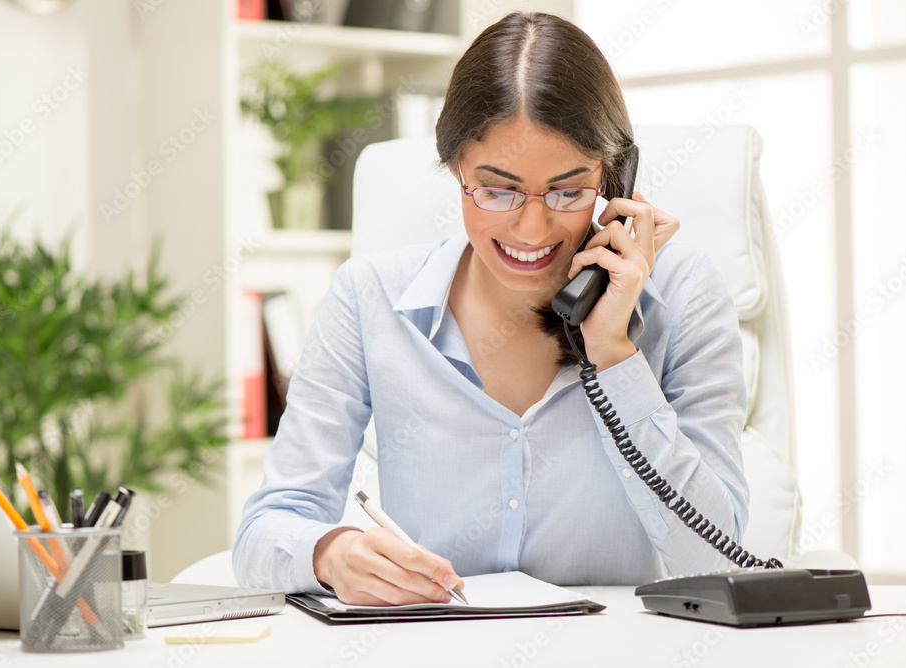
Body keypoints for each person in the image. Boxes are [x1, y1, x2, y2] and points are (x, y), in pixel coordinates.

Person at [233, 12, 748, 606]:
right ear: (456, 171)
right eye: (497, 190)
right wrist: (331, 554)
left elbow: (718, 559)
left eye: (568, 190)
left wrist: (613, 354)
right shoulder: (368, 296)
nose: (532, 228)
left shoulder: (683, 296)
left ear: (615, 181)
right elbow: (263, 532)